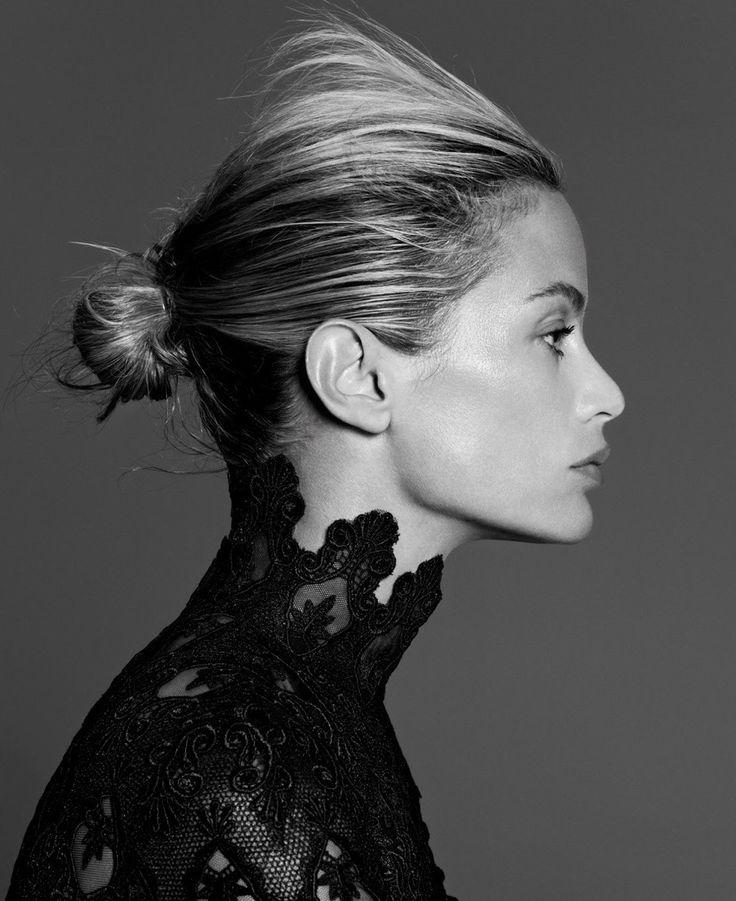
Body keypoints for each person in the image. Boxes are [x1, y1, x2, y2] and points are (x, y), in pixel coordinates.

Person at [6, 8, 625, 901]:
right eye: (555, 331)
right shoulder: (244, 749)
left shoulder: (284, 706)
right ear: (359, 376)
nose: (608, 392)